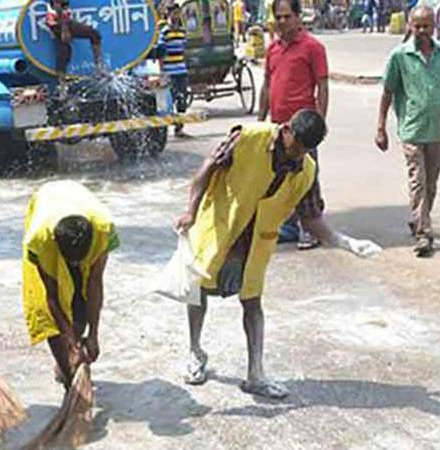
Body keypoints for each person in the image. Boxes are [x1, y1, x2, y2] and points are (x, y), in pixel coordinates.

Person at [175, 110, 327, 399]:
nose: (296, 156)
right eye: (294, 148)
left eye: (304, 152)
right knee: (198, 289)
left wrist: (344, 242)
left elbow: (310, 218)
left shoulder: (305, 169)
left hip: (255, 241)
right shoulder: (247, 138)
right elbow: (206, 170)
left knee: (252, 302)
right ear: (285, 129)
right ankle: (195, 352)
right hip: (220, 227)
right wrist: (190, 211)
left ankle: (255, 373)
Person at [259, 0, 380, 257]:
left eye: (286, 17)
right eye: (278, 17)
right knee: (279, 177)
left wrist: (319, 124)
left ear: (297, 17)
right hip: (278, 128)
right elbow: (267, 85)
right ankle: (289, 225)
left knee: (307, 178)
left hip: (303, 128)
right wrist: (260, 121)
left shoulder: (313, 47)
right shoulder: (272, 50)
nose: (282, 22)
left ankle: (309, 228)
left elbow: (322, 86)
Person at [22, 180, 119, 389]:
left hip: (77, 205)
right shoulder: (39, 239)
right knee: (47, 314)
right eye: (71, 260)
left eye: (79, 260)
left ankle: (71, 356)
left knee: (79, 304)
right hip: (46, 203)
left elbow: (94, 283)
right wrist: (69, 339)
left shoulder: (104, 229)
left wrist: (93, 334)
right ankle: (66, 372)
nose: (75, 264)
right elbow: (51, 296)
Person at [375, 6, 440, 257]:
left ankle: (418, 219)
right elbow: (387, 92)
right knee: (418, 182)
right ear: (410, 26)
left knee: (431, 184)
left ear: (434, 26)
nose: (422, 31)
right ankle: (424, 234)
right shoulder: (400, 56)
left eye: (426, 25)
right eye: (417, 25)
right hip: (412, 129)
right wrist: (380, 127)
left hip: (437, 132)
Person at [158, 3, 190, 138]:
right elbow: (160, 53)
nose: (176, 16)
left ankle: (179, 128)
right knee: (169, 101)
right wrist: (162, 72)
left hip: (181, 70)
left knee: (182, 99)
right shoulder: (164, 32)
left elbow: (185, 50)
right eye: (174, 13)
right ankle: (166, 128)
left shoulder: (182, 31)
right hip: (169, 71)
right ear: (168, 14)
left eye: (178, 13)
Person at [46, 0, 103, 76]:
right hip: (57, 22)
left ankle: (99, 68)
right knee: (65, 50)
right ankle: (61, 81)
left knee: (95, 34)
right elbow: (57, 8)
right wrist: (64, 29)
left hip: (65, 20)